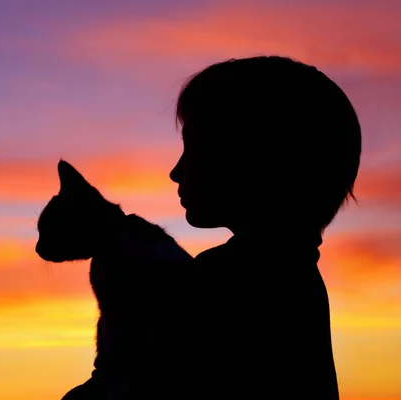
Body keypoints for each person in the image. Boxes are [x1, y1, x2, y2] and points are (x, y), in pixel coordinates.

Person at [147, 56, 361, 399]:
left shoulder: (221, 281)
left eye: (193, 147)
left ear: (249, 157)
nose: (176, 171)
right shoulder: (295, 277)